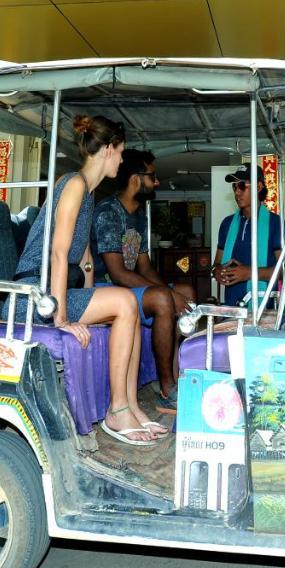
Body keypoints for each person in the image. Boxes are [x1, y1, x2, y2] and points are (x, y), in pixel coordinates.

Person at [13, 115, 165, 446]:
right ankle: (117, 410)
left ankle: (132, 405)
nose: (122, 160)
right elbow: (57, 253)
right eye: (121, 152)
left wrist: (92, 296)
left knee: (129, 305)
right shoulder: (74, 184)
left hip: (57, 288)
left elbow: (82, 262)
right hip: (34, 291)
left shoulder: (89, 193)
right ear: (108, 149)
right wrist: (62, 317)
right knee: (124, 301)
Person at [92, 149, 196, 410]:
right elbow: (117, 273)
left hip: (129, 285)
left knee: (186, 290)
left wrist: (174, 292)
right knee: (163, 298)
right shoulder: (108, 213)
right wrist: (166, 294)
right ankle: (166, 387)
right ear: (136, 180)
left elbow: (145, 267)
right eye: (153, 177)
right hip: (106, 289)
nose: (157, 182)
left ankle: (176, 376)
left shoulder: (138, 216)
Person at [213, 164, 285, 308]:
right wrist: (217, 271)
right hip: (231, 307)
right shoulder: (227, 224)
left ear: (258, 187)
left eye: (242, 186)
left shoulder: (276, 223)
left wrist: (250, 273)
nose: (237, 192)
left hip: (264, 309)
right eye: (234, 187)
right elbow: (217, 263)